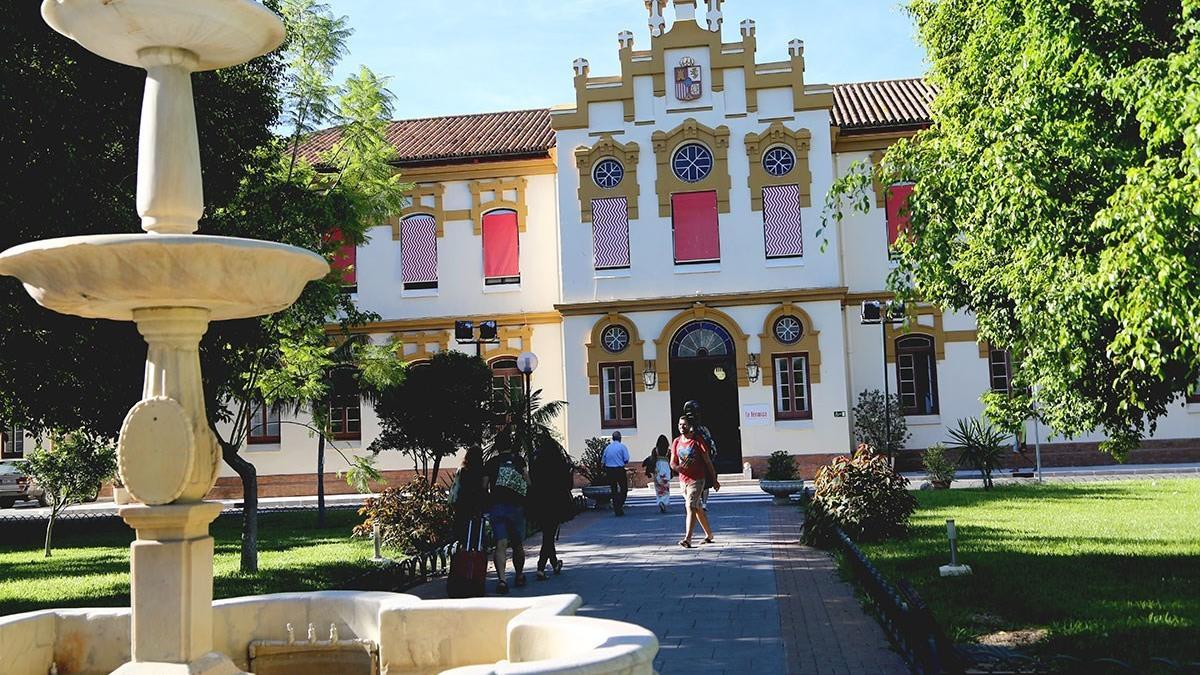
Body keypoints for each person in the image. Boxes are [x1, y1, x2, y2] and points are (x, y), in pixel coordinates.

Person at [483, 447, 529, 593]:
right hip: (516, 507)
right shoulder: (518, 461)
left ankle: (502, 580)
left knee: (500, 543)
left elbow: (484, 486)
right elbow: (527, 481)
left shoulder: (491, 463)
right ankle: (519, 575)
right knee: (517, 544)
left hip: (497, 507)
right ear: (511, 445)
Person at [670, 415, 719, 548]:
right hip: (683, 480)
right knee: (696, 508)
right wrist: (677, 468)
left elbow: (708, 461)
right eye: (680, 424)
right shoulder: (676, 442)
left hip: (697, 479)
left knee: (690, 505)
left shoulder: (697, 441)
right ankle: (709, 535)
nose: (681, 427)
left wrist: (714, 479)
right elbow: (672, 462)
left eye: (684, 424)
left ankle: (688, 539)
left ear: (690, 426)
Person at [528, 443, 574, 580]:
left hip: (539, 502)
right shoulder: (559, 465)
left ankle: (554, 563)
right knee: (549, 535)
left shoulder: (536, 464)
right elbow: (568, 485)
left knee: (547, 533)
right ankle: (541, 567)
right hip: (556, 502)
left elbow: (531, 483)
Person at [682, 400, 718, 510]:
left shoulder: (702, 430)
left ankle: (701, 503)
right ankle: (699, 503)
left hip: (700, 461)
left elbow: (710, 445)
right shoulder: (693, 430)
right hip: (694, 462)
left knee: (703, 484)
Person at [449, 445, 486, 545]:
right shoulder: (481, 471)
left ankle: (463, 554)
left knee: (462, 535)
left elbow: (456, 487)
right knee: (476, 534)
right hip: (476, 505)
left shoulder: (462, 470)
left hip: (462, 505)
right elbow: (483, 488)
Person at [602, 431, 630, 516]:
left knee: (613, 489)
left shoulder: (607, 448)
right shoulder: (622, 447)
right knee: (624, 488)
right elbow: (626, 459)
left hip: (609, 470)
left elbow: (603, 460)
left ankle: (616, 507)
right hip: (619, 469)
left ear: (612, 438)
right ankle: (619, 504)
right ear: (620, 438)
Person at [649, 434, 672, 513]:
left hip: (658, 468)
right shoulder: (668, 451)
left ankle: (659, 501)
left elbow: (652, 460)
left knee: (658, 486)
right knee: (665, 487)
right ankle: (664, 502)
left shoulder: (655, 450)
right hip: (666, 468)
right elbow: (671, 461)